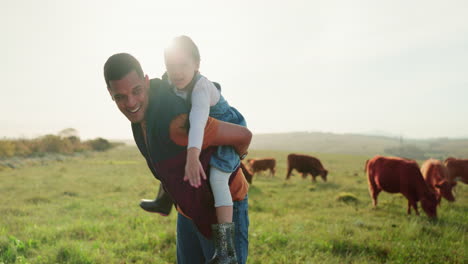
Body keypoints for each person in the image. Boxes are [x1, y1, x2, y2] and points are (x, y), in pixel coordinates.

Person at [104, 53, 251, 264]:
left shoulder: (179, 119)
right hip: (187, 207)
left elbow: (243, 135)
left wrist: (235, 158)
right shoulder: (141, 114)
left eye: (136, 91)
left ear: (145, 82)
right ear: (110, 93)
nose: (131, 102)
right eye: (120, 97)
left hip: (221, 209)